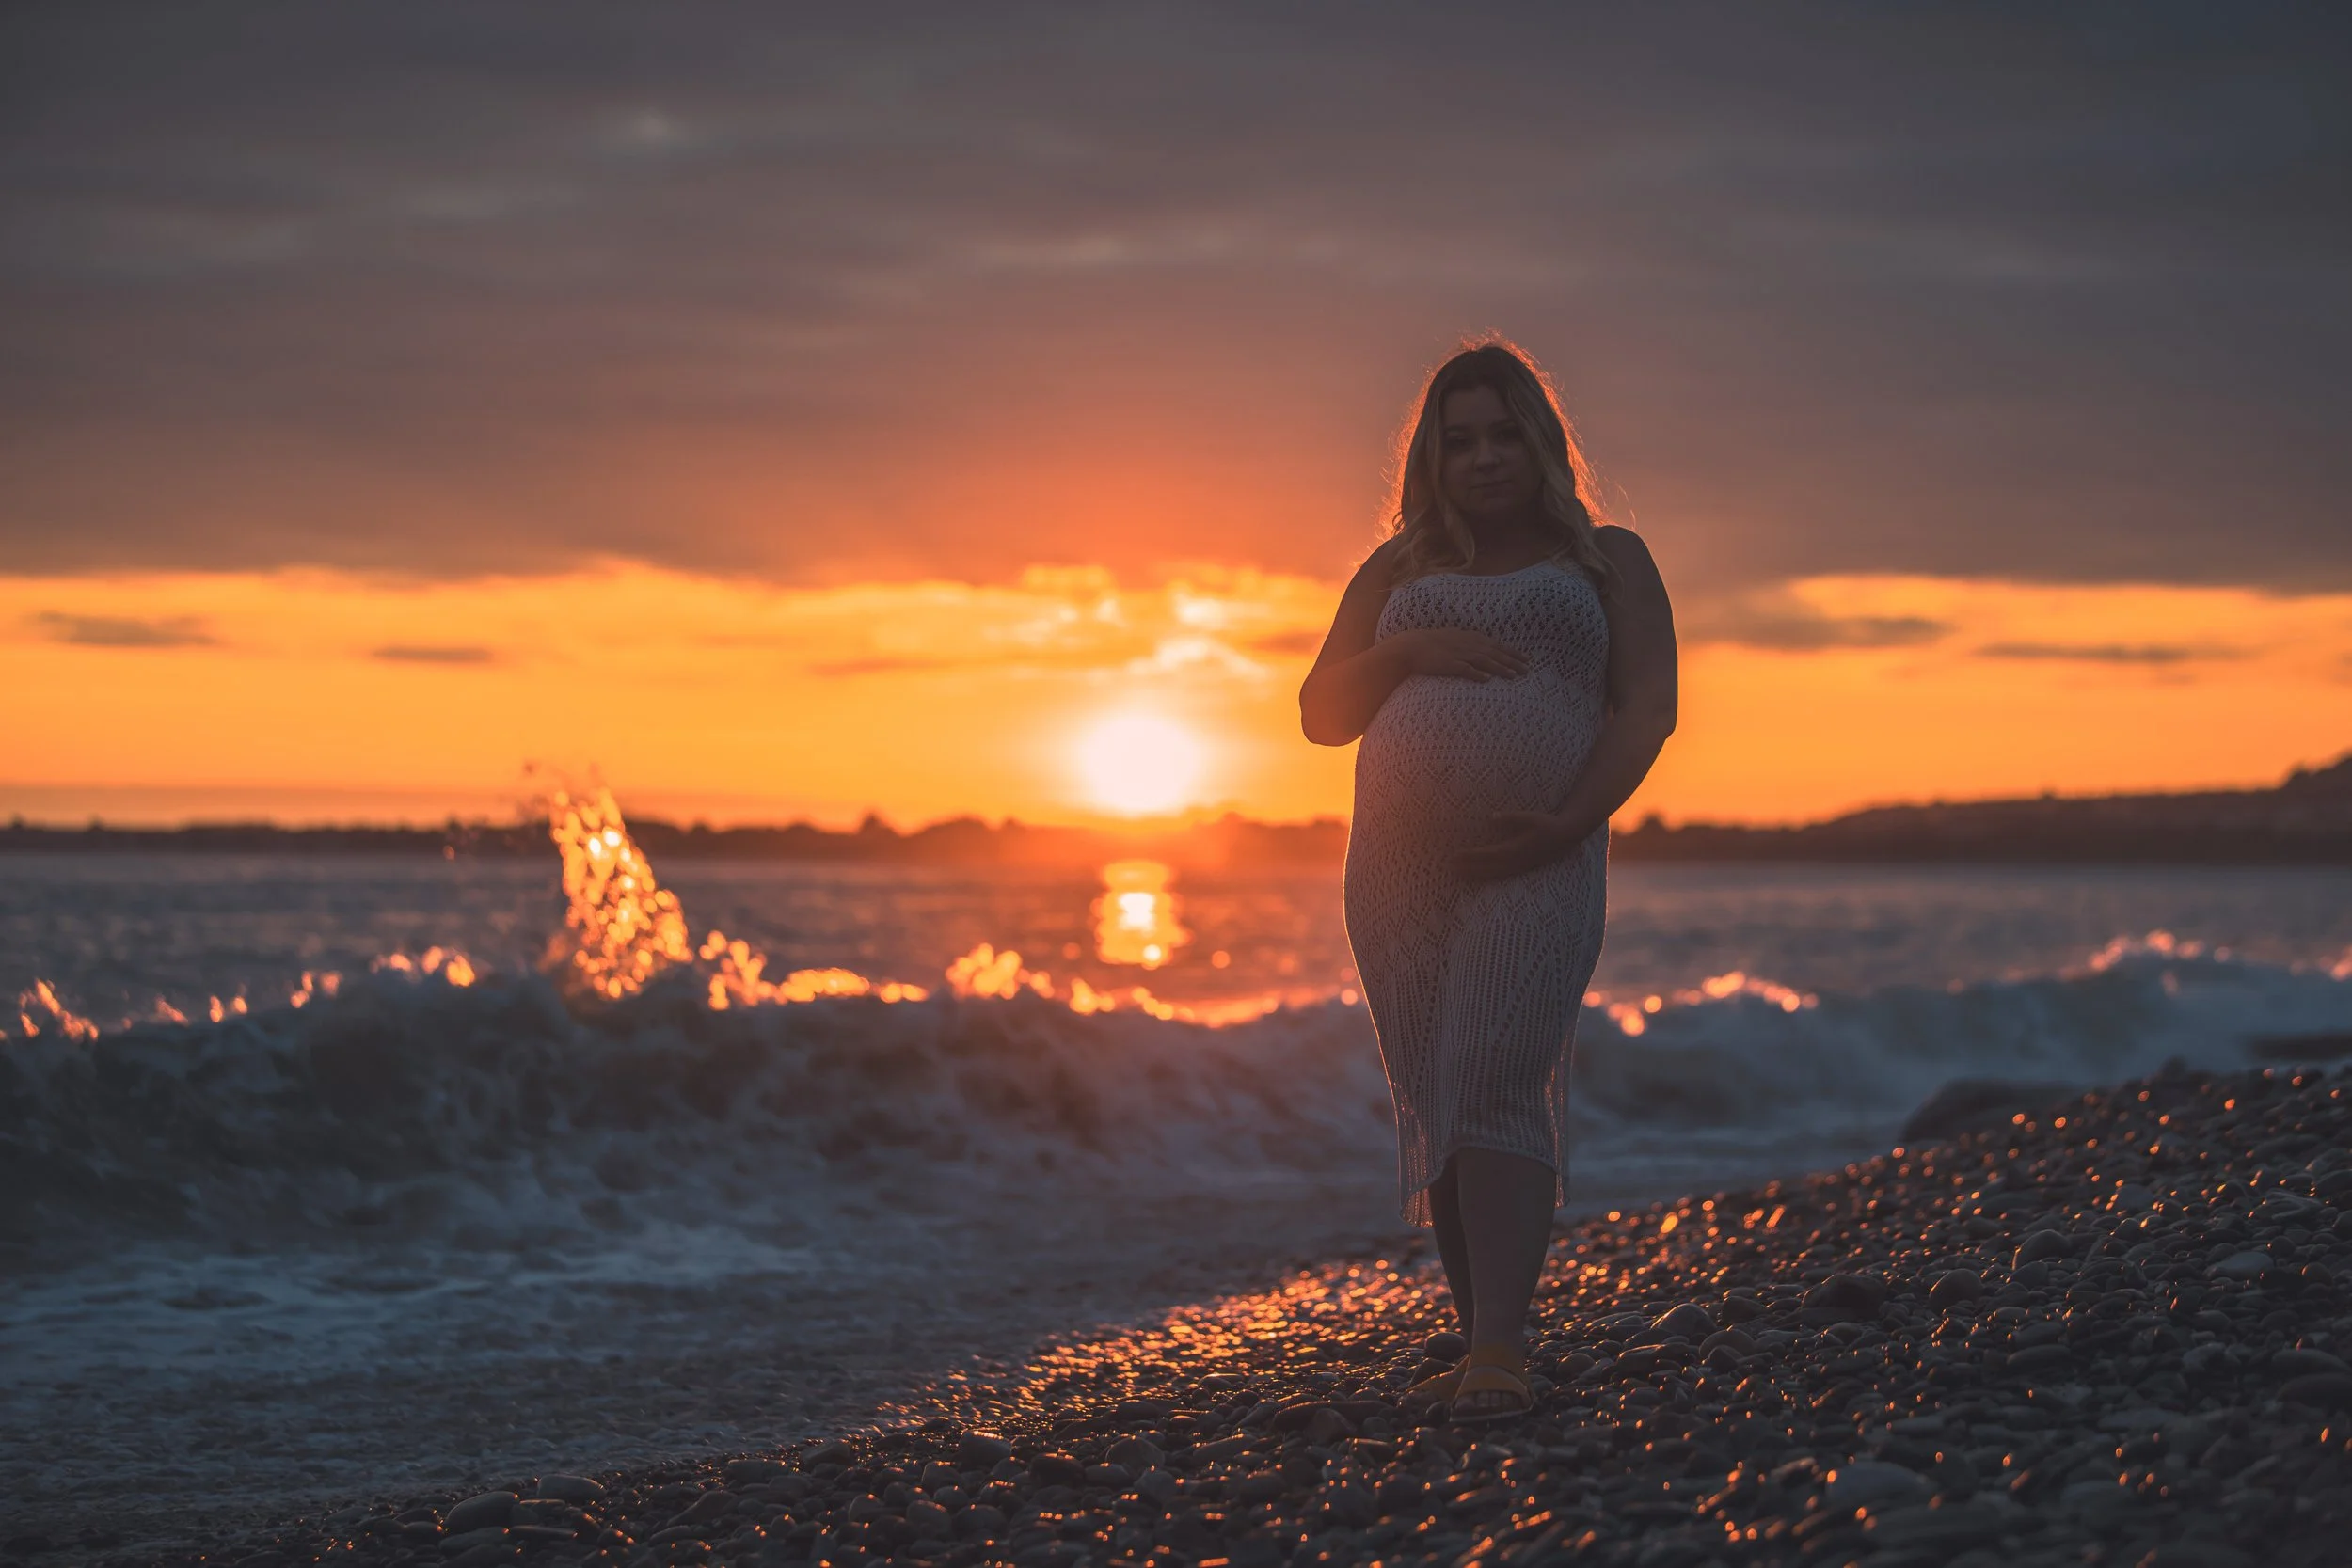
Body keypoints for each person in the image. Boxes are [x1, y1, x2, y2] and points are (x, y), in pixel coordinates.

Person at [1299, 341, 1678, 1421]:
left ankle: (1502, 1347)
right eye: (1456, 440)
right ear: (1431, 456)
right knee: (1441, 1087)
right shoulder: (1397, 569)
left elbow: (1644, 706)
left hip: (1543, 847)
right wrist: (1408, 656)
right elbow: (1322, 713)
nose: (1481, 457)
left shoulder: (1608, 559)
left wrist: (1565, 819)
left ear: (1542, 441)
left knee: (1493, 1068)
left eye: (1502, 433)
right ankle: (1482, 1340)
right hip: (1397, 864)